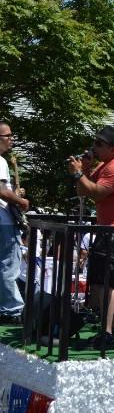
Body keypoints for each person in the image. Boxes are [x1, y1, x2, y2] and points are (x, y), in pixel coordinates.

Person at [66, 125, 114, 349]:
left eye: (98, 144)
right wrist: (85, 172)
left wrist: (79, 173)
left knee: (108, 281)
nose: (93, 147)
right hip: (110, 229)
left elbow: (96, 193)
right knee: (105, 282)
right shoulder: (105, 164)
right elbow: (83, 192)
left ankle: (106, 334)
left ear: (112, 147)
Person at [0, 122, 29, 324]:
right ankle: (12, 311)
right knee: (9, 265)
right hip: (3, 221)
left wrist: (15, 194)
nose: (12, 138)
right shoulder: (0, 161)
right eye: (8, 135)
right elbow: (1, 191)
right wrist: (20, 201)